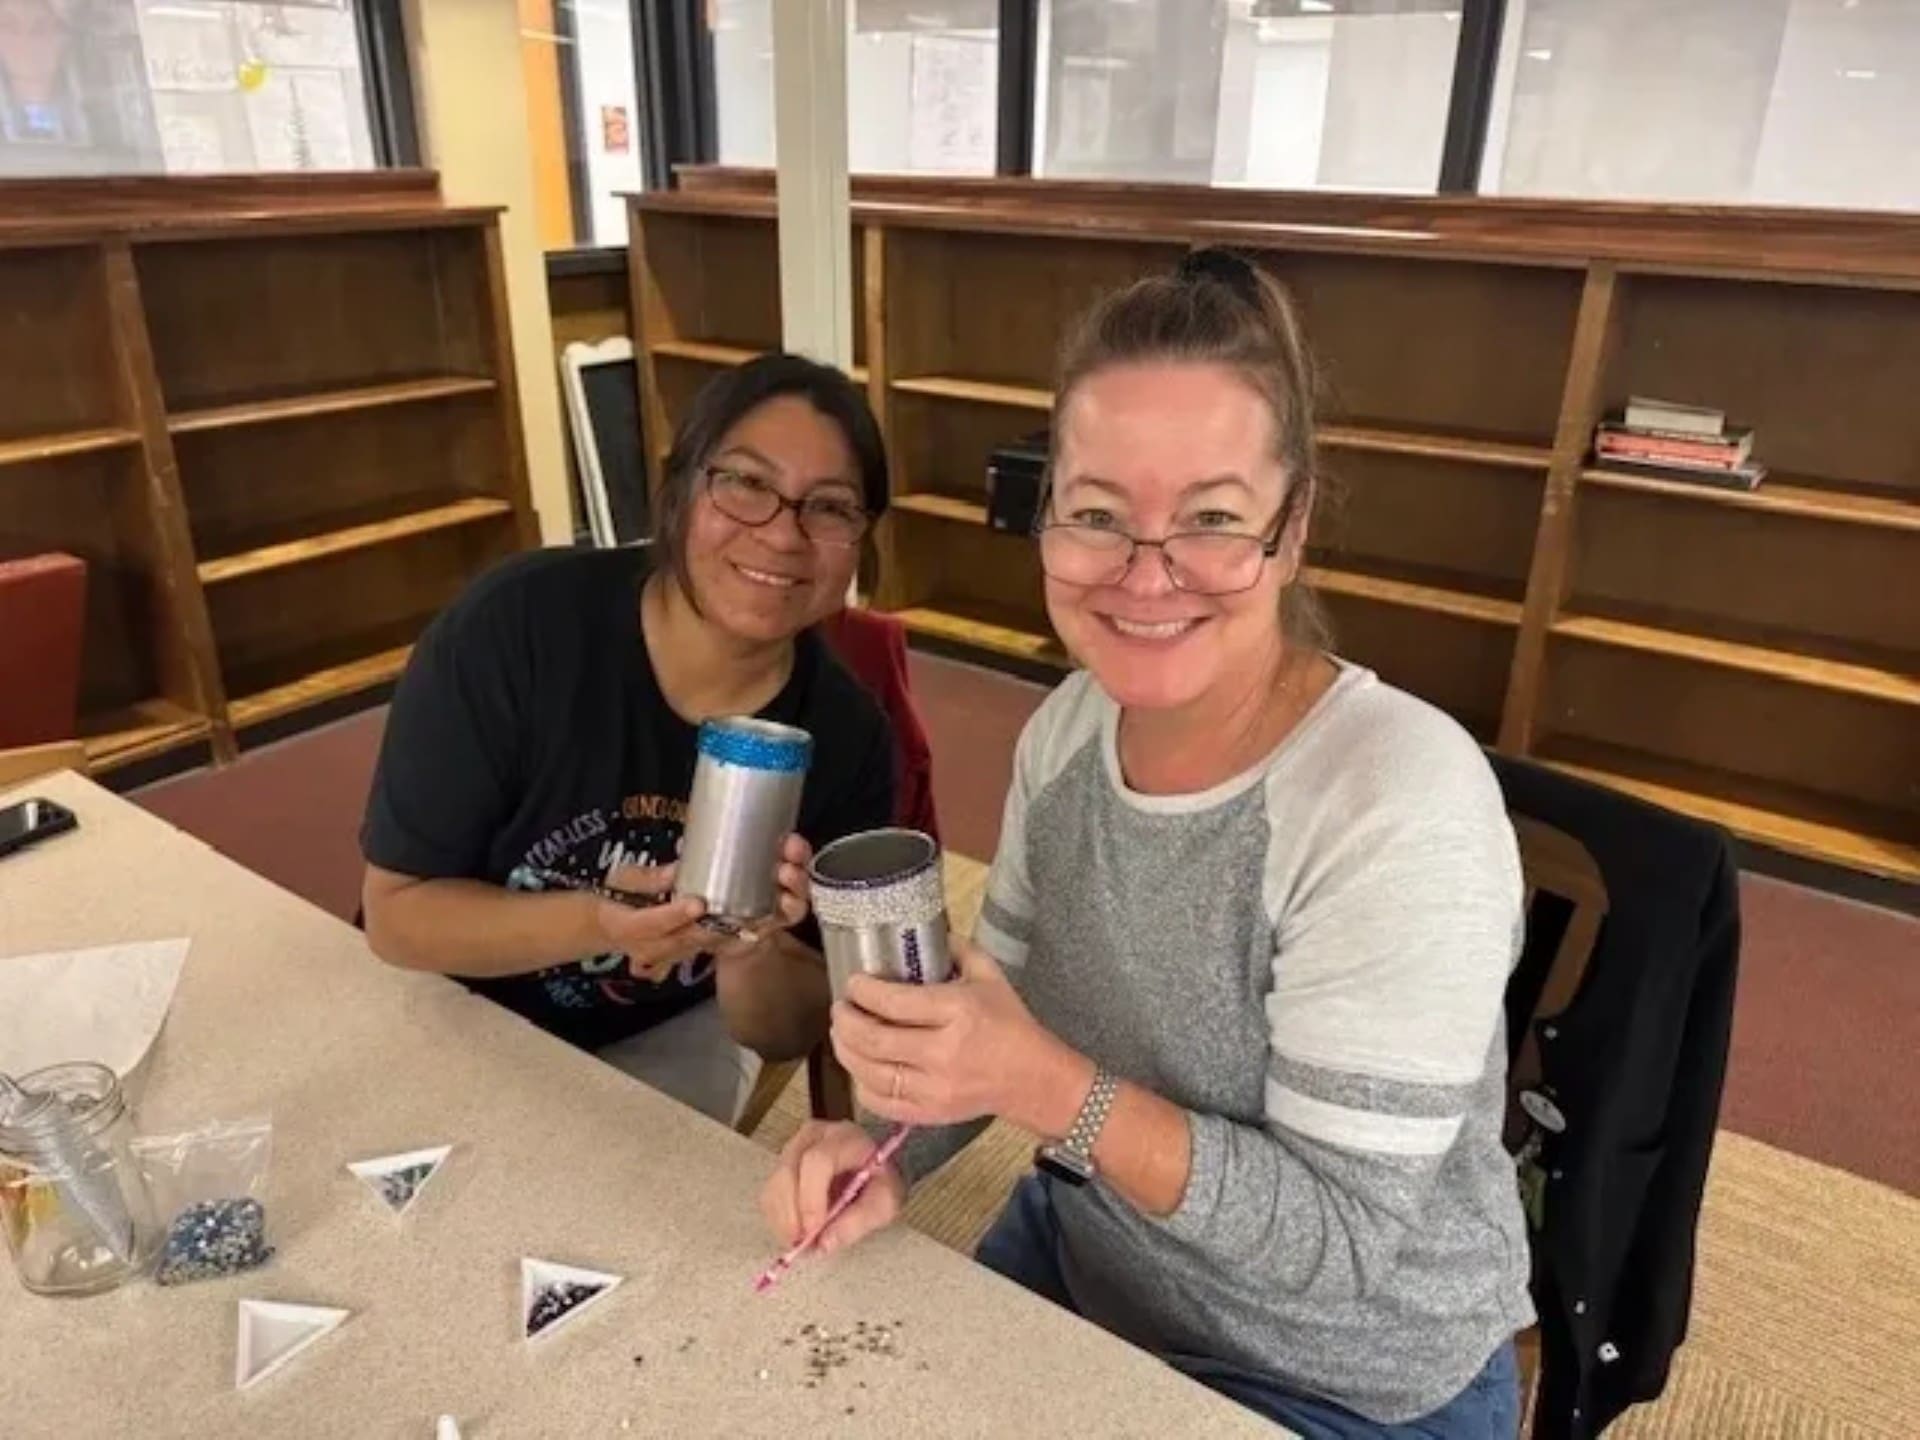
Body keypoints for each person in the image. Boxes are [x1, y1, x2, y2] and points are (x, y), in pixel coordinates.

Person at [761, 251, 1533, 1437]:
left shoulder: (1397, 803)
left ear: (1295, 526)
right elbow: (1001, 1007)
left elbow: (1339, 1248)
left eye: (1214, 519)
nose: (1145, 575)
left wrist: (1041, 1085)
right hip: (1101, 1265)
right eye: (1099, 516)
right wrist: (880, 1153)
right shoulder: (1070, 729)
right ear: (1046, 513)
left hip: (1339, 1377)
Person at [360, 353, 896, 1124]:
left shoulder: (847, 738)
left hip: (661, 1029)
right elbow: (398, 918)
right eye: (745, 482)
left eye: (831, 507)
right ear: (678, 491)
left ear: (860, 543)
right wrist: (598, 920)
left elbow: (789, 1029)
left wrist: (750, 948)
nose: (782, 534)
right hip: (454, 993)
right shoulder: (517, 631)